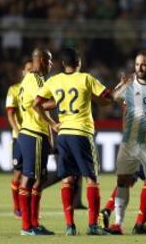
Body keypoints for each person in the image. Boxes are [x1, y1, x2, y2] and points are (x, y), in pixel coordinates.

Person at [33, 47, 112, 236]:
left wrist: (52, 123)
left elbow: (37, 104)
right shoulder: (85, 78)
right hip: (82, 133)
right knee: (92, 179)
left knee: (68, 179)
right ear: (79, 63)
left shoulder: (54, 80)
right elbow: (107, 99)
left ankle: (70, 226)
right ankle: (93, 226)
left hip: (64, 134)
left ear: (62, 64)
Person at [98, 53, 146, 236]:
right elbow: (112, 101)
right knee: (126, 180)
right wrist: (122, 84)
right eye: (138, 64)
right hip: (131, 142)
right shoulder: (130, 84)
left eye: (144, 64)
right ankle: (124, 222)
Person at [17, 48, 55, 236]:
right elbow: (39, 105)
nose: (51, 64)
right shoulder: (37, 79)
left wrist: (51, 132)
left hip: (32, 132)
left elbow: (36, 106)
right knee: (31, 178)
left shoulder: (27, 79)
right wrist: (59, 100)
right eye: (49, 60)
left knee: (38, 179)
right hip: (34, 132)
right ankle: (27, 226)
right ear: (40, 59)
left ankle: (33, 224)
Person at [6, 59, 32, 219]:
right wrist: (18, 131)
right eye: (28, 69)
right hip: (19, 137)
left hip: (33, 136)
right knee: (18, 173)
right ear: (23, 72)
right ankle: (17, 208)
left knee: (30, 175)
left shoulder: (36, 90)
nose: (30, 72)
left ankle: (28, 210)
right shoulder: (14, 90)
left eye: (32, 70)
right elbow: (10, 113)